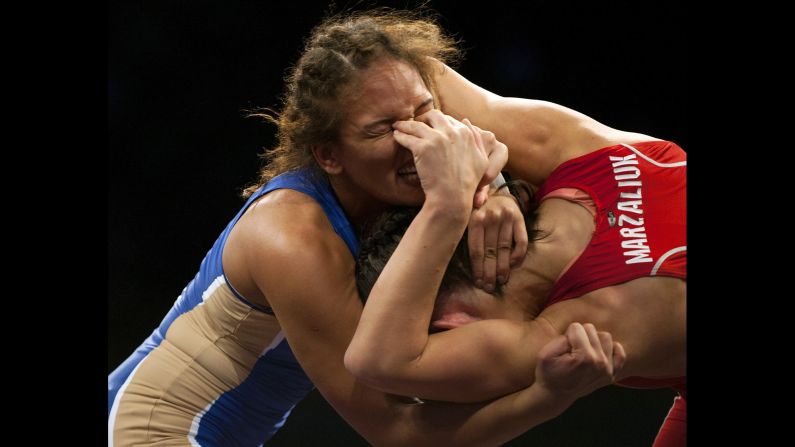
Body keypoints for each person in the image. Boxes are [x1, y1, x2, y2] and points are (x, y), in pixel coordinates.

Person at [108, 10, 626, 446]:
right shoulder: (292, 239)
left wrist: (495, 187)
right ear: (329, 155)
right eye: (381, 131)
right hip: (151, 430)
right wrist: (547, 396)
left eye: (423, 112)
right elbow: (399, 430)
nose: (416, 138)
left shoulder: (418, 148)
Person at [346, 61, 686, 446]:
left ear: (455, 320)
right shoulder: (576, 152)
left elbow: (376, 362)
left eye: (436, 334)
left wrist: (447, 205)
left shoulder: (591, 323)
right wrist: (487, 184)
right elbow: (389, 59)